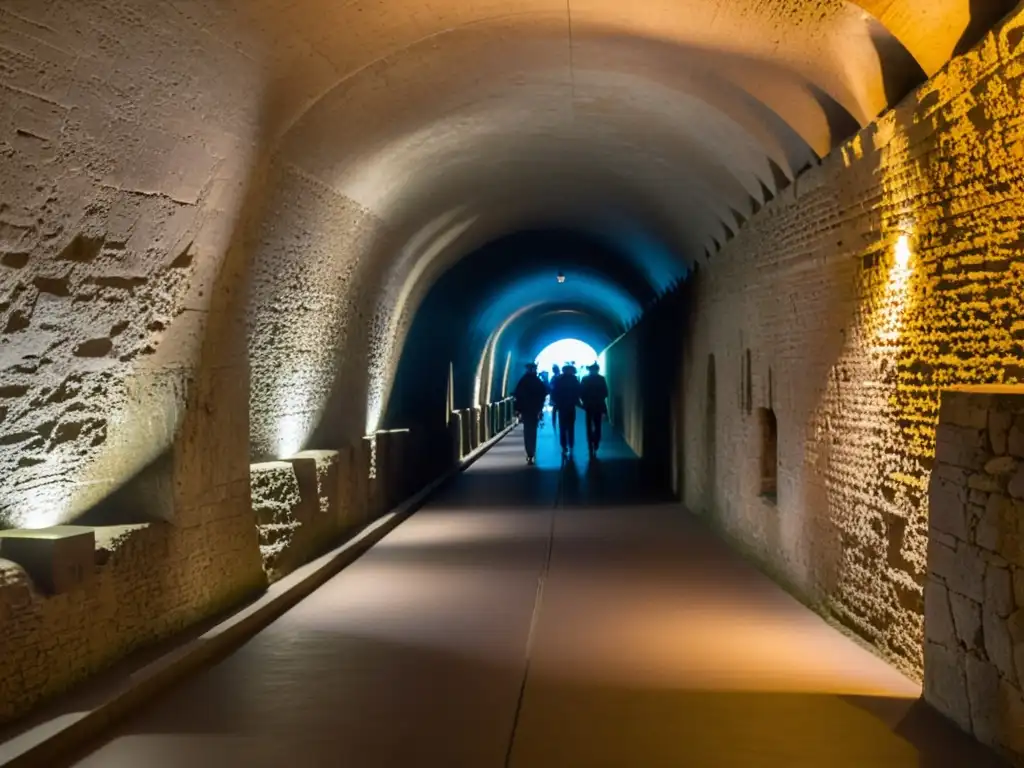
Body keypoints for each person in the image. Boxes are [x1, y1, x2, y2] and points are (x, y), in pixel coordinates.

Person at [513, 362, 548, 464]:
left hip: (526, 409)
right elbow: (543, 394)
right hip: (534, 409)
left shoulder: (523, 381)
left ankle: (529, 453)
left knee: (527, 431)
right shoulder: (537, 381)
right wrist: (540, 409)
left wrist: (517, 410)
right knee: (533, 431)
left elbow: (518, 396)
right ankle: (531, 452)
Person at [550, 363, 582, 457]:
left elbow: (554, 392)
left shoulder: (559, 380)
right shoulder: (574, 380)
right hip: (571, 406)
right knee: (571, 426)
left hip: (562, 406)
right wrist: (578, 402)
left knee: (562, 426)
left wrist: (556, 402)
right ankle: (571, 443)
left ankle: (564, 445)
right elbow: (579, 392)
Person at [581, 362, 609, 457]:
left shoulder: (585, 379)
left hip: (588, 405)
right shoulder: (601, 379)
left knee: (588, 425)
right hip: (598, 405)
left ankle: (590, 444)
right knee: (597, 425)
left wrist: (585, 401)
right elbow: (605, 393)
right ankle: (596, 442)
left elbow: (581, 392)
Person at [549, 365, 561, 432]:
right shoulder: (561, 376)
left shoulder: (554, 377)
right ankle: (559, 423)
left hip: (554, 396)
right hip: (560, 397)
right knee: (559, 410)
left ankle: (554, 423)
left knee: (554, 410)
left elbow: (551, 386)